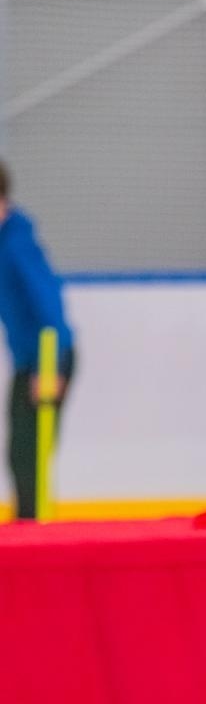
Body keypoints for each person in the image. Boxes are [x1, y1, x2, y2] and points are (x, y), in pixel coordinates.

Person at [0, 161, 75, 521]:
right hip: (29, 359)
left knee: (30, 450)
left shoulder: (17, 244)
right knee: (18, 450)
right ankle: (26, 520)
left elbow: (50, 307)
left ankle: (33, 525)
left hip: (46, 358)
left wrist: (52, 366)